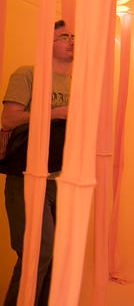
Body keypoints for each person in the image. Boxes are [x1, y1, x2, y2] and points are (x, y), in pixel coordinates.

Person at [1, 20, 73, 306]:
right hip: (28, 175)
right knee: (36, 252)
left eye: (73, 36)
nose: (71, 41)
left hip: (62, 178)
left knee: (56, 255)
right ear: (47, 43)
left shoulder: (77, 82)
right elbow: (9, 119)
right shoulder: (28, 74)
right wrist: (58, 112)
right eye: (63, 36)